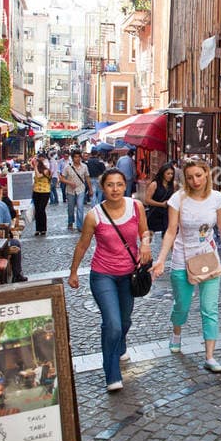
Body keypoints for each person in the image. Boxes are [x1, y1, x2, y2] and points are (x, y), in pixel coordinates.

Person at [67, 168, 152, 392]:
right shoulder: (94, 215)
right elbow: (83, 245)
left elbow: (145, 232)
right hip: (103, 274)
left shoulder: (136, 207)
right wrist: (74, 271)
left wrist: (145, 243)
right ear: (102, 188)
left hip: (129, 275)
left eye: (119, 184)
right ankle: (111, 373)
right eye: (110, 185)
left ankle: (120, 344)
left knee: (124, 322)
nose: (115, 189)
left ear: (125, 186)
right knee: (112, 324)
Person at [151, 158, 221, 373]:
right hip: (182, 260)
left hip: (208, 259)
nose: (195, 180)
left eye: (199, 175)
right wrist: (160, 259)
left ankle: (210, 356)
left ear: (206, 174)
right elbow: (170, 231)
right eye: (190, 177)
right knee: (182, 306)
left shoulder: (216, 198)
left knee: (209, 309)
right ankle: (176, 332)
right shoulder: (178, 200)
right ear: (184, 179)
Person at [61, 149, 91, 231]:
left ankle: (80, 225)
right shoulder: (67, 167)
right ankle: (70, 222)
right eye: (75, 157)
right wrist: (69, 182)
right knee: (70, 207)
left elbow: (87, 178)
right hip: (70, 190)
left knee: (80, 207)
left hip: (81, 189)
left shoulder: (84, 167)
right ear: (72, 158)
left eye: (78, 157)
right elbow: (62, 178)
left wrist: (90, 189)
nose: (77, 159)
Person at [145, 162, 176, 235]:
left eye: (172, 174)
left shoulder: (173, 185)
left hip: (167, 214)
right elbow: (147, 200)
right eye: (168, 174)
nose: (170, 176)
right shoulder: (154, 184)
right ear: (163, 173)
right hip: (155, 214)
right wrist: (161, 204)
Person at [32, 152, 52, 236]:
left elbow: (39, 176)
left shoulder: (46, 170)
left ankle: (43, 228)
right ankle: (37, 229)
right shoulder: (35, 169)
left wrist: (35, 167)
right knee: (37, 210)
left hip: (45, 192)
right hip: (36, 191)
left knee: (41, 209)